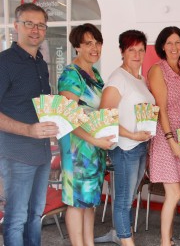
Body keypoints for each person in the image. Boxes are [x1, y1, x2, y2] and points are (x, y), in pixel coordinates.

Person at [0, 3, 59, 246]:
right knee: (16, 218)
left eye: (41, 25)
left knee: (36, 215)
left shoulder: (40, 63)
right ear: (16, 26)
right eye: (29, 24)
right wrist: (28, 130)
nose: (35, 29)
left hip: (42, 152)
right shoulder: (4, 62)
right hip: (16, 153)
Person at [58, 23, 115, 245]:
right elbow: (67, 117)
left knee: (89, 201)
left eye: (98, 43)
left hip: (95, 147)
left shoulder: (94, 72)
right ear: (77, 47)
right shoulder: (71, 75)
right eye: (88, 43)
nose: (95, 48)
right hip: (77, 148)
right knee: (75, 202)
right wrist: (94, 140)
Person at [100, 29, 154, 246]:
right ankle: (126, 241)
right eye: (132, 50)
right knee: (123, 200)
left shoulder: (140, 78)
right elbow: (105, 116)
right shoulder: (118, 78)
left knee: (129, 197)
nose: (137, 55)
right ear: (122, 51)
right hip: (125, 147)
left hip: (140, 146)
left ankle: (119, 233)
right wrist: (132, 134)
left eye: (141, 50)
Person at [148, 26, 180, 246]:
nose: (174, 47)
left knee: (175, 192)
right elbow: (161, 109)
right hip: (166, 134)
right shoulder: (158, 70)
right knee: (174, 193)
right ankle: (165, 242)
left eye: (178, 42)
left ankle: (169, 239)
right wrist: (171, 140)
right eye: (169, 43)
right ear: (162, 46)